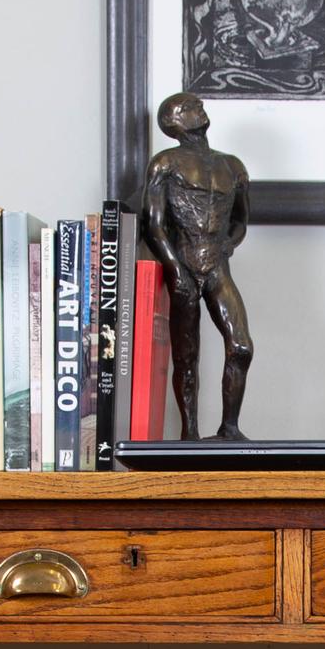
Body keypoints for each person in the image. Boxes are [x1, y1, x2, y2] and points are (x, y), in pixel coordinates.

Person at [141, 92, 253, 440]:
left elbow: (240, 222)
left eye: (196, 104)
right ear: (172, 123)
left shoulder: (232, 166)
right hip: (183, 266)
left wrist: (227, 245)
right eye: (187, 107)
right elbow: (153, 226)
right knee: (186, 357)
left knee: (241, 346)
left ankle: (229, 428)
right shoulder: (165, 163)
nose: (197, 108)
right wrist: (175, 268)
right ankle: (189, 435)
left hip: (217, 267)